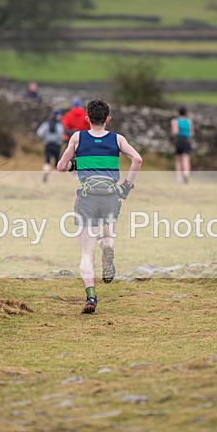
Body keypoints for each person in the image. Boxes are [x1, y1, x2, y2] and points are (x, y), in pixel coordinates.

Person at [57, 98, 143, 314]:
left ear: (87, 118)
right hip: (110, 197)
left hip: (86, 198)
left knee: (86, 254)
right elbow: (137, 159)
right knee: (106, 236)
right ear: (108, 119)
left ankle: (91, 297)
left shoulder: (77, 138)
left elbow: (61, 166)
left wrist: (74, 163)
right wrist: (127, 187)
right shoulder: (118, 139)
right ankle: (108, 250)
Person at [36, 109, 65, 182]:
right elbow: (61, 134)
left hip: (48, 144)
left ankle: (46, 174)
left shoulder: (46, 124)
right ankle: (55, 179)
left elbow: (39, 133)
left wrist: (45, 137)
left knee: (47, 161)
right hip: (57, 145)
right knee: (57, 162)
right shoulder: (59, 125)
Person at [171, 106, 195, 184]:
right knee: (186, 159)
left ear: (179, 112)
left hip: (179, 141)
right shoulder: (189, 121)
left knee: (178, 160)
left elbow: (175, 131)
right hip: (187, 141)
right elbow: (192, 133)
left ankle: (178, 178)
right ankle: (186, 173)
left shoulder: (175, 121)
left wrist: (172, 134)